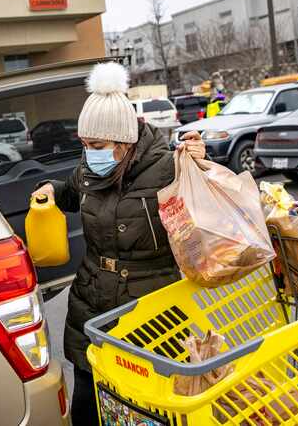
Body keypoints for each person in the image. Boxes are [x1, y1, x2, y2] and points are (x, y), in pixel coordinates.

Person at [31, 62, 205, 425]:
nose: (88, 152)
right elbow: (73, 189)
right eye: (84, 145)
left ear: (124, 143)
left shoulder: (167, 167)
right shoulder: (91, 167)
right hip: (91, 300)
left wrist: (201, 164)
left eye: (96, 145)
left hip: (151, 307)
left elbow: (208, 202)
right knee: (88, 400)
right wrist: (52, 190)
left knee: (146, 405)